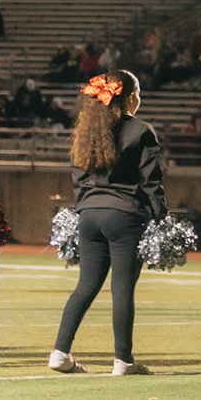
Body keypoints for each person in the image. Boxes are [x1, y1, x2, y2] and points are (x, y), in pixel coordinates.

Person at [50, 71, 165, 374]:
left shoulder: (86, 131)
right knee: (122, 288)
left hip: (89, 215)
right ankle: (122, 360)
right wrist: (161, 217)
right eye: (138, 92)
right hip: (125, 216)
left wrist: (85, 207)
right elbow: (151, 181)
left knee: (86, 285)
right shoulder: (141, 130)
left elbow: (77, 177)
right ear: (130, 96)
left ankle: (60, 353)